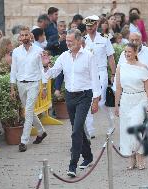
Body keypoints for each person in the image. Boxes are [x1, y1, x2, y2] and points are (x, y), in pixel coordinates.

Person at [41, 29, 101, 177]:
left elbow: (95, 79)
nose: (67, 44)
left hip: (84, 96)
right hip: (69, 96)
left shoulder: (89, 56)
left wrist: (96, 100)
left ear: (79, 41)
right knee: (77, 128)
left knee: (76, 131)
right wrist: (45, 66)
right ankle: (88, 157)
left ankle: (72, 165)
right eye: (66, 41)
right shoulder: (63, 56)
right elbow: (53, 73)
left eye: (70, 41)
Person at [114, 43, 148, 170]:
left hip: (140, 100)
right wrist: (116, 105)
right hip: (126, 100)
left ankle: (140, 156)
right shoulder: (121, 67)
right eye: (125, 52)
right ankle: (130, 156)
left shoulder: (143, 67)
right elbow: (118, 88)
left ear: (136, 53)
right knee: (126, 130)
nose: (127, 54)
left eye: (129, 52)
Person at [10, 26, 47, 152]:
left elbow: (42, 69)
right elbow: (13, 70)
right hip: (21, 84)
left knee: (29, 110)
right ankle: (42, 131)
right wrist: (12, 87)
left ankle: (24, 141)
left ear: (30, 36)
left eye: (27, 35)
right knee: (29, 111)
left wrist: (44, 86)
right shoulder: (16, 52)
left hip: (34, 84)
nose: (25, 37)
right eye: (22, 35)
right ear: (19, 37)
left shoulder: (38, 50)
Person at [84, 15, 116, 138]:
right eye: (87, 26)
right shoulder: (83, 40)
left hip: (101, 72)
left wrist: (113, 74)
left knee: (101, 102)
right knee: (88, 101)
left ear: (96, 25)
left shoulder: (104, 39)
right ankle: (90, 130)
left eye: (91, 26)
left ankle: (111, 123)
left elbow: (111, 57)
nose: (89, 28)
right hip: (88, 74)